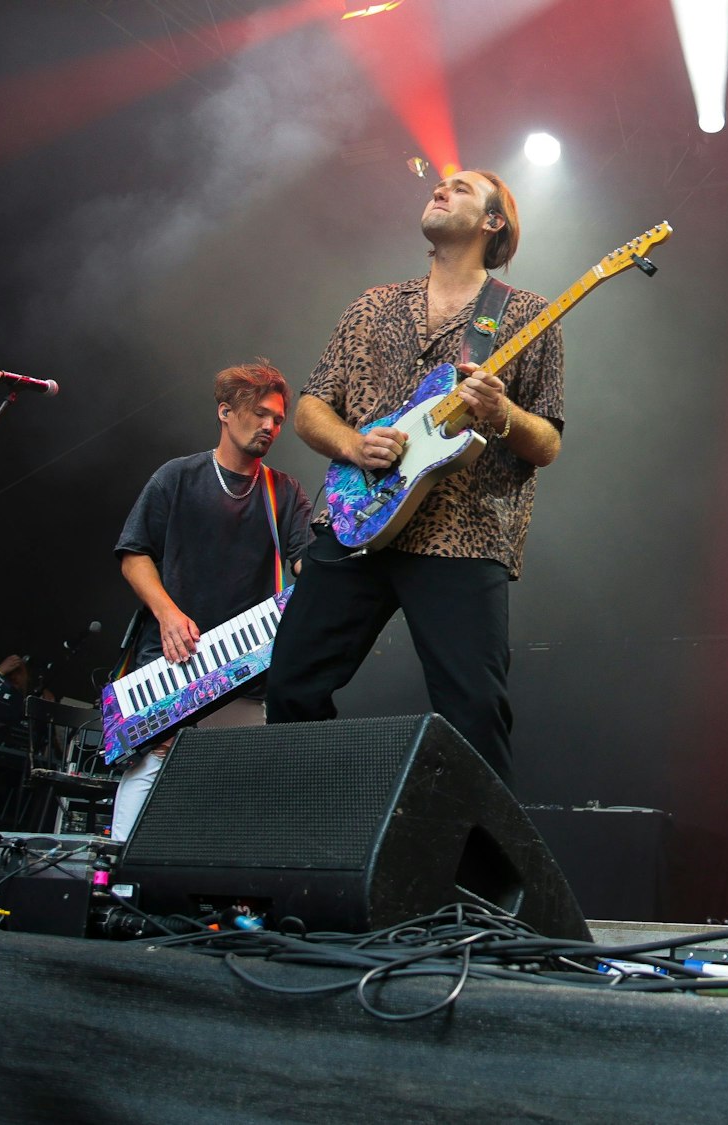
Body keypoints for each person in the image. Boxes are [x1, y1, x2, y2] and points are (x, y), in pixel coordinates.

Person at [265, 170, 565, 789]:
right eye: (439, 185)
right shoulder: (373, 306)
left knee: (475, 713)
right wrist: (353, 442)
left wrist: (502, 413)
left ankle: (476, 876)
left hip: (460, 533)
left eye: (459, 188)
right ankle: (319, 833)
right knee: (291, 685)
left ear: (493, 222)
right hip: (356, 520)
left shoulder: (529, 316)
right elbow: (312, 406)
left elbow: (549, 443)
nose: (440, 189)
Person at [113, 361, 312, 840]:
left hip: (243, 667)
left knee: (233, 800)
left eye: (279, 419)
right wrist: (168, 613)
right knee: (150, 774)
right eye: (261, 414)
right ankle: (116, 888)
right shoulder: (177, 477)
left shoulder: (283, 493)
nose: (271, 426)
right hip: (173, 659)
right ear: (226, 411)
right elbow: (134, 554)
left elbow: (309, 567)